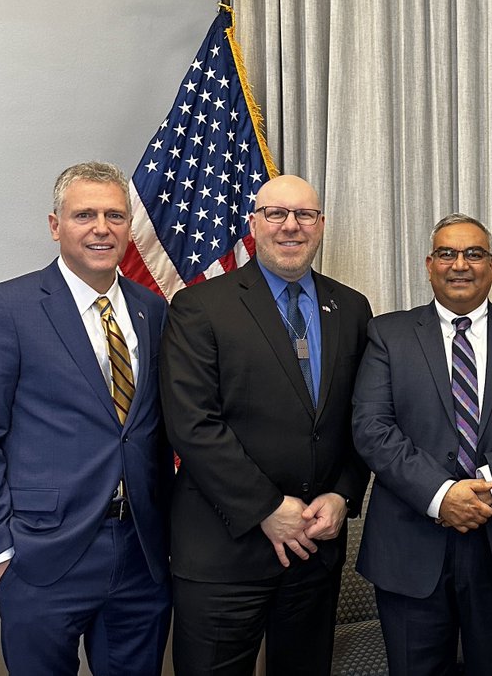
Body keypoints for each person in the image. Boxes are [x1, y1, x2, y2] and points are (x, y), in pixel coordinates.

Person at [161, 173, 373, 676]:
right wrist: (267, 508)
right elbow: (193, 425)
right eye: (276, 214)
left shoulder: (352, 307)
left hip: (314, 550)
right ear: (255, 223)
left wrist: (343, 494)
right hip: (222, 555)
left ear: (321, 225)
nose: (290, 227)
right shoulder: (199, 307)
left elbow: (362, 417)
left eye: (304, 215)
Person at [352, 213, 492, 676]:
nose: (460, 265)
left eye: (473, 254)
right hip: (411, 545)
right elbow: (372, 428)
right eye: (448, 254)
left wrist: (487, 483)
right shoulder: (387, 334)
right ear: (429, 265)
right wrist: (442, 495)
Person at [0, 162, 172, 675]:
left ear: (129, 227)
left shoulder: (154, 312)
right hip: (42, 557)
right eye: (84, 214)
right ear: (54, 225)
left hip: (141, 555)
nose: (101, 228)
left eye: (114, 215)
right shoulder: (5, 309)